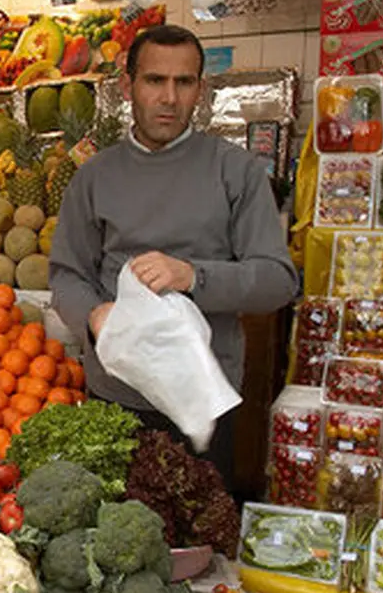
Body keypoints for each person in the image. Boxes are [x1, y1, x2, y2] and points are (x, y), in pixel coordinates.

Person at [48, 24, 298, 488]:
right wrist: (94, 315)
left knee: (200, 543)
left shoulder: (236, 172)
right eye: (154, 81)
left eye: (183, 83)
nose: (169, 97)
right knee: (117, 544)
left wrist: (193, 276)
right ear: (127, 87)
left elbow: (277, 280)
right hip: (116, 396)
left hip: (203, 399)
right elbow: (66, 275)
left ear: (200, 90)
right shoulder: (95, 178)